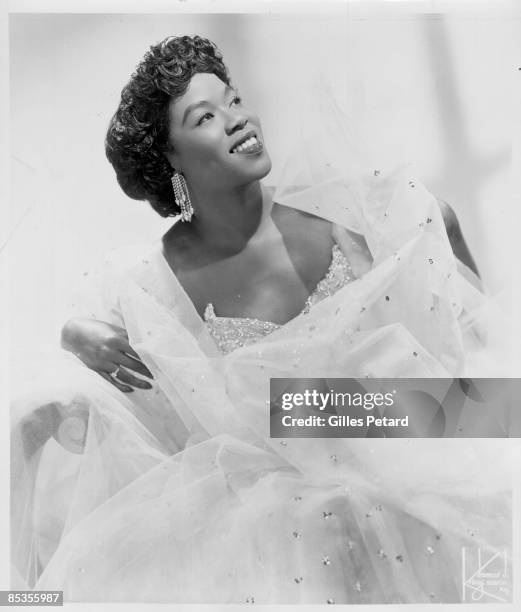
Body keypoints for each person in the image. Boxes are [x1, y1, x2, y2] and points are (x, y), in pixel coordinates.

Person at [11, 35, 514, 603]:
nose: (237, 120)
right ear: (169, 159)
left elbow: (441, 245)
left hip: (412, 446)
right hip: (286, 509)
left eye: (234, 100)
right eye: (206, 116)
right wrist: (75, 335)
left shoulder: (340, 213)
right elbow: (83, 350)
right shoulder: (153, 278)